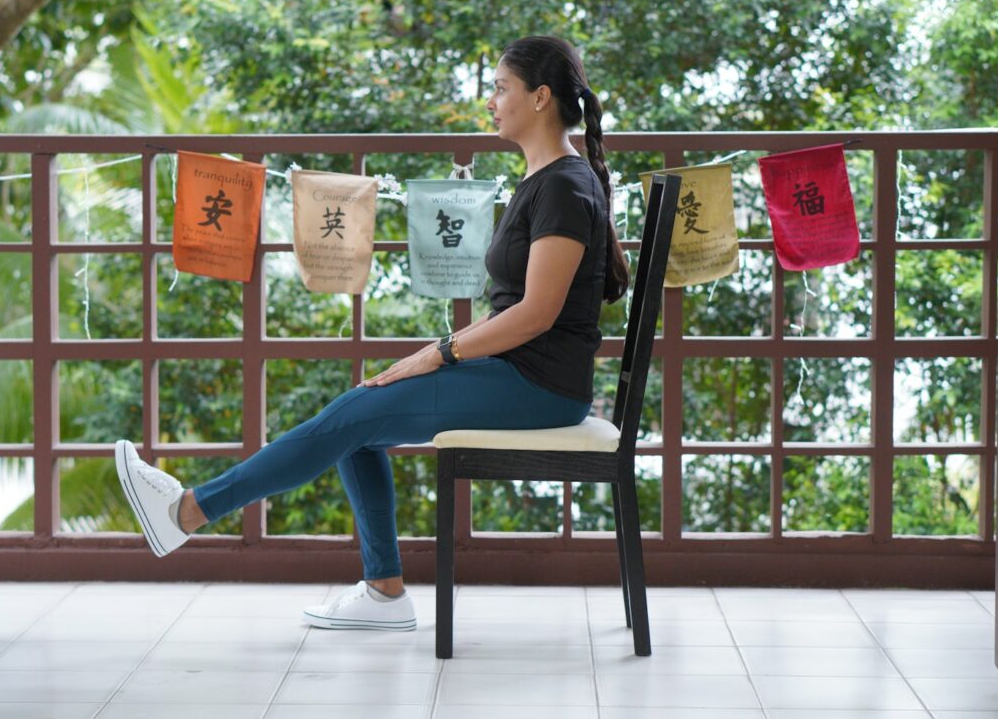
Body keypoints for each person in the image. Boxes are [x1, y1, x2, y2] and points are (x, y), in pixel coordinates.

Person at [115, 35, 630, 632]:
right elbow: (518, 310)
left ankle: (186, 512)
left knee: (359, 412)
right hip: (522, 374)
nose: (490, 101)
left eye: (499, 88)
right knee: (362, 414)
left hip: (539, 388)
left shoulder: (565, 186)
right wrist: (434, 357)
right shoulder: (541, 180)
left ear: (540, 98)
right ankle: (384, 590)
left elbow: (537, 313)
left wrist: (438, 353)